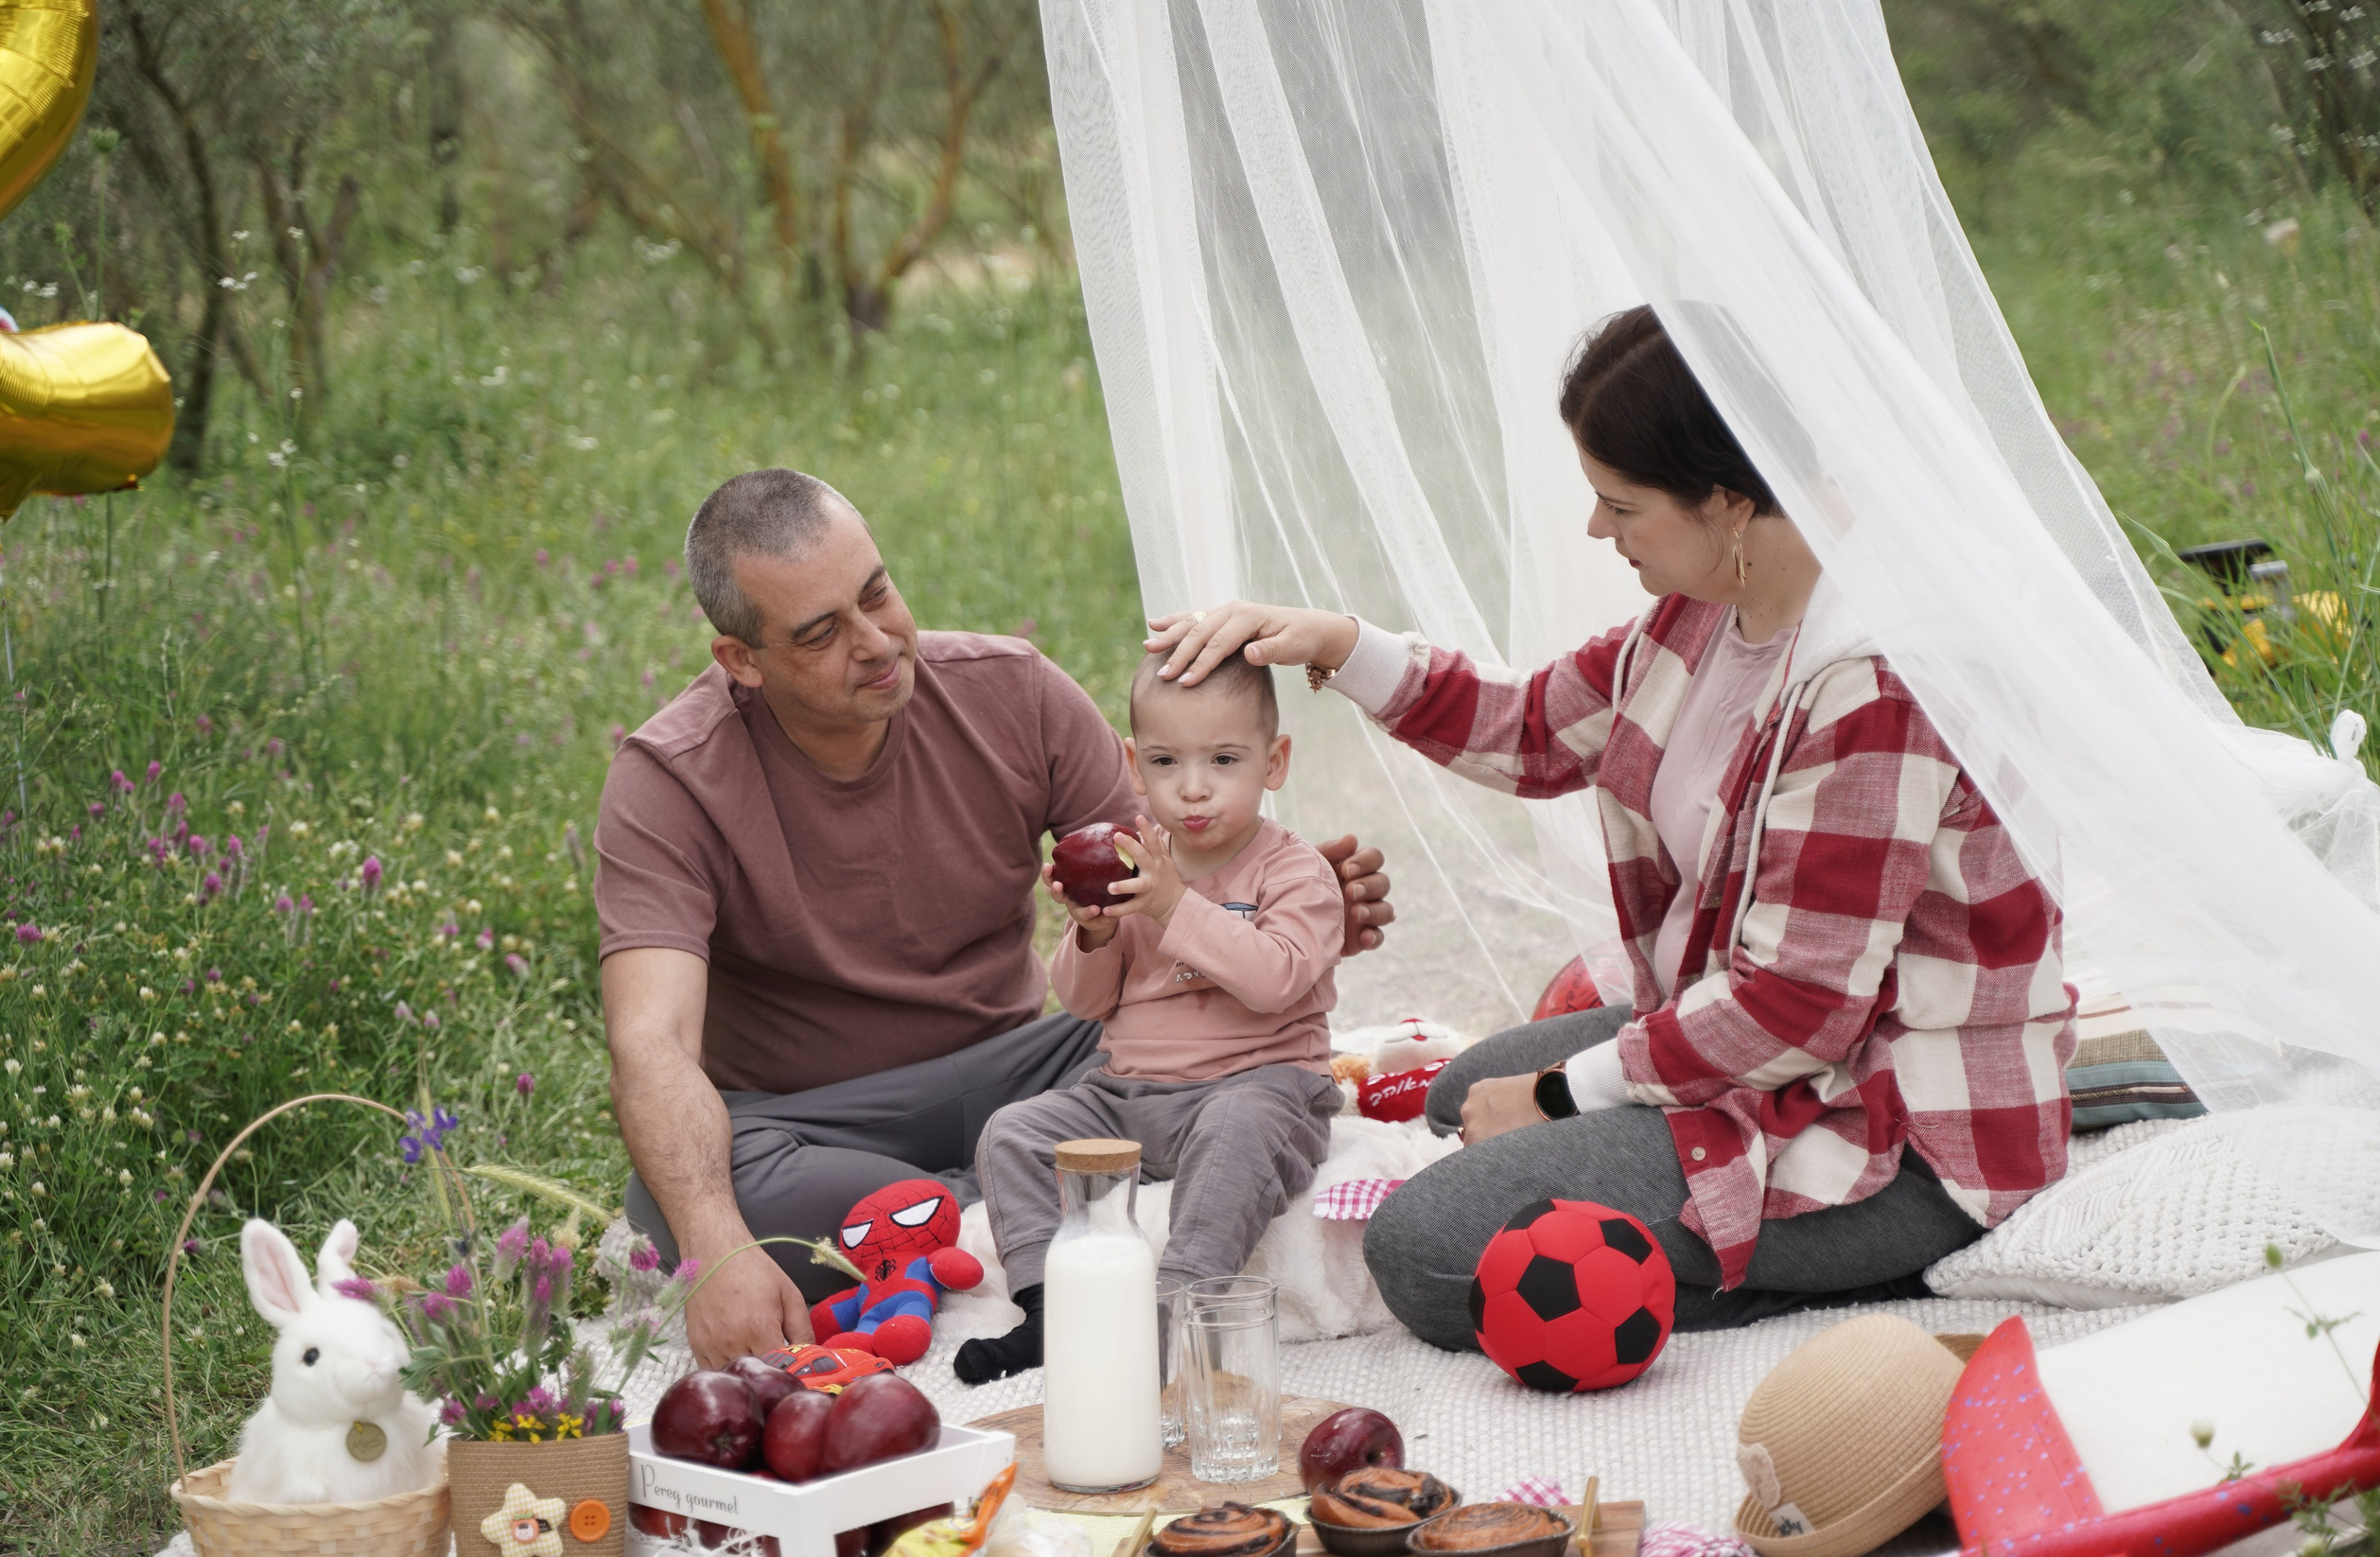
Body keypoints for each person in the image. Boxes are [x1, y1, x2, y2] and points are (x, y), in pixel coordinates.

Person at [1146, 306, 2076, 1341]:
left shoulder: (1872, 684)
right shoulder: (1715, 601)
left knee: (1424, 1253)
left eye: (1618, 504)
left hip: (1895, 1125)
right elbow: (1536, 727)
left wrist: (1556, 1098)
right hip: (1789, 1058)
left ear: (1726, 503)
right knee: (1460, 1095)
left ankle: (1872, 1265)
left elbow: (1792, 1005)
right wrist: (1340, 642)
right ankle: (1679, 1206)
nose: (1599, 530)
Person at [595, 467, 1394, 1368]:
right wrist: (722, 1248)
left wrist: (1271, 907)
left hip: (1025, 1061)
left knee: (1200, 1056)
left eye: (877, 592)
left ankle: (941, 1221)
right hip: (810, 1118)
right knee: (678, 1203)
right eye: (822, 632)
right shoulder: (671, 778)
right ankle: (1011, 1196)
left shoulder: (1012, 692)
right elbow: (651, 1043)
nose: (876, 642)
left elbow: (1158, 882)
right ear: (742, 659)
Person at [953, 654, 1345, 1385]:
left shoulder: (1293, 872)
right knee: (1014, 1131)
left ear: (1274, 761)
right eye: (1167, 760)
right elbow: (1086, 1002)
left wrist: (1174, 906)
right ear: (1135, 765)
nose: (1193, 787)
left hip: (1258, 1084)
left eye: (1224, 759)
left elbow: (1275, 979)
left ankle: (1173, 1306)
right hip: (1130, 1095)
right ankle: (1049, 1309)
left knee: (1234, 1134)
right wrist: (1095, 932)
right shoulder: (1136, 863)